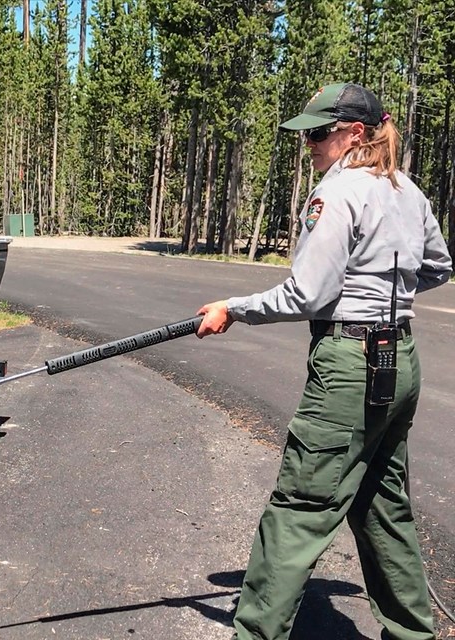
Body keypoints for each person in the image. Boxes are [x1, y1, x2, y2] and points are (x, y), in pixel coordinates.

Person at [196, 82, 452, 640]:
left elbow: (306, 295)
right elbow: (438, 267)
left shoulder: (334, 195)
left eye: (318, 133)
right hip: (399, 358)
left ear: (353, 134)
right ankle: (413, 633)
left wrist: (232, 309)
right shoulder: (409, 191)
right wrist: (387, 293)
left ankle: (255, 634)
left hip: (351, 362)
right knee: (383, 504)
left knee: (299, 507)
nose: (308, 143)